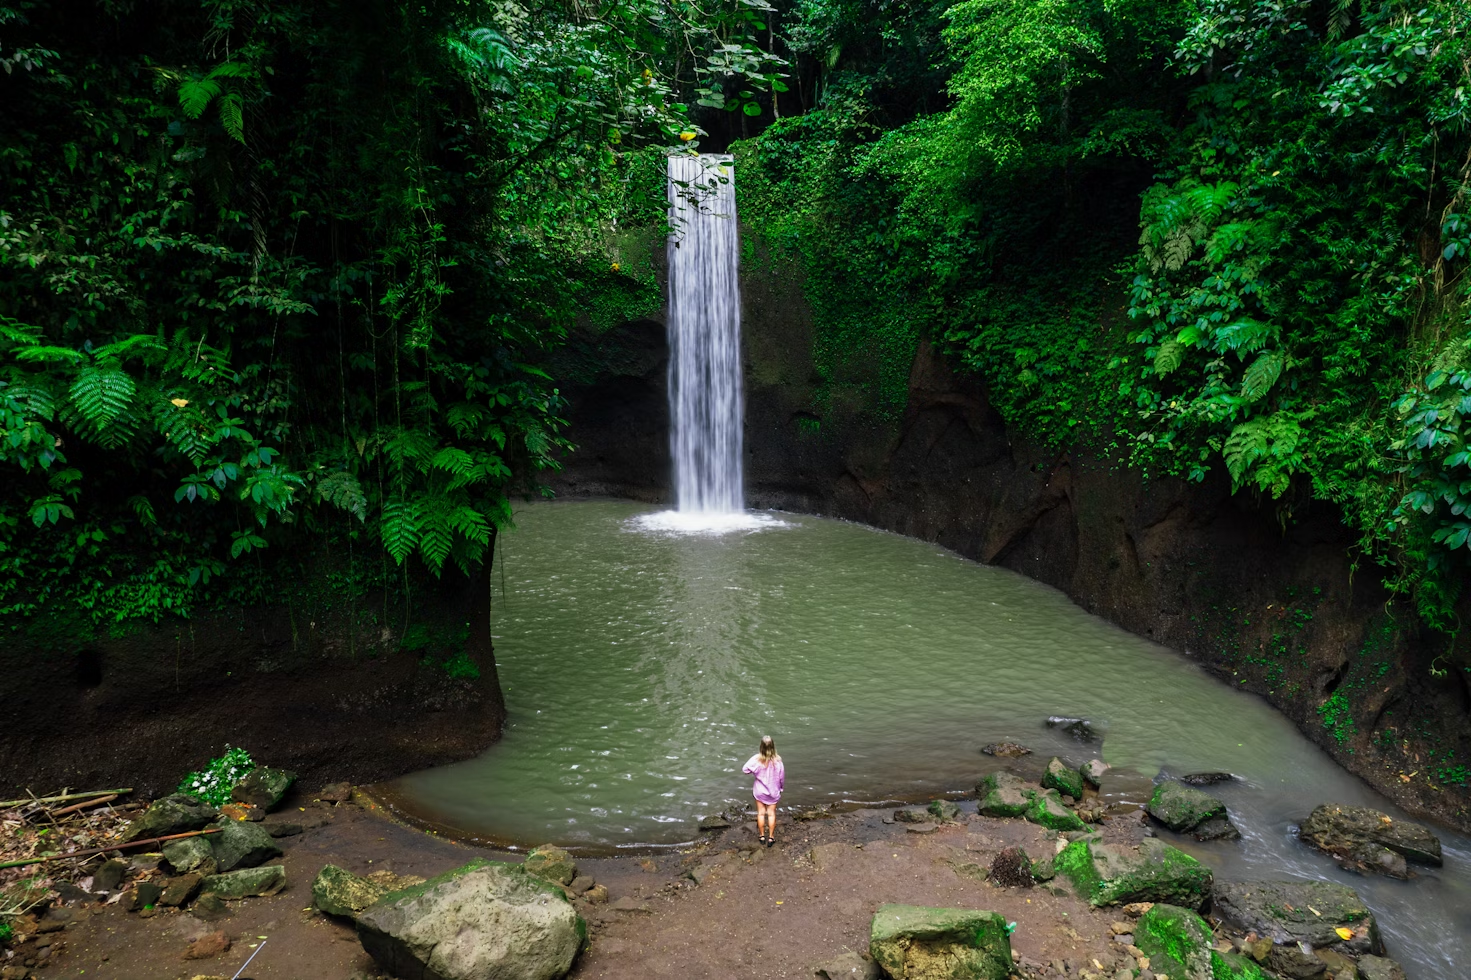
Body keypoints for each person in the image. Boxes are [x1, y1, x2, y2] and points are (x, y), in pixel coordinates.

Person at [742, 735, 785, 847]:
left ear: (761, 747)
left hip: (759, 791)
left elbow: (745, 769)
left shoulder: (756, 759)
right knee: (771, 814)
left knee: (761, 813)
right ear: (773, 747)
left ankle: (761, 836)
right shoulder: (778, 761)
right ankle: (771, 837)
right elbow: (781, 778)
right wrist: (780, 788)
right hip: (773, 792)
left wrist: (755, 773)